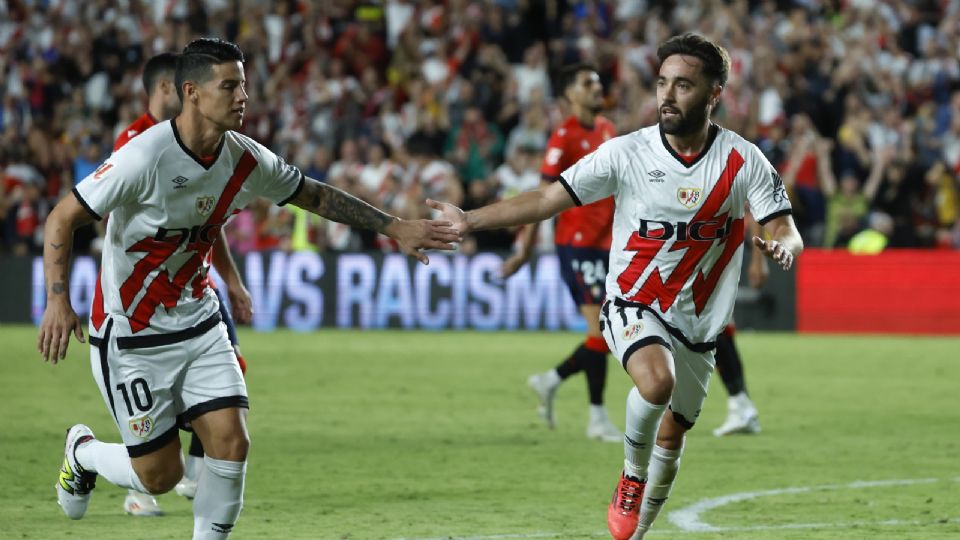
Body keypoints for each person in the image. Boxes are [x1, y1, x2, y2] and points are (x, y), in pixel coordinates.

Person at [39, 38, 458, 539]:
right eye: (230, 85)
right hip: (132, 332)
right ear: (191, 92)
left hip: (199, 323)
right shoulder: (144, 157)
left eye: (245, 84)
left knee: (232, 444)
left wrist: (395, 227)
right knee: (159, 475)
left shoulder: (245, 159)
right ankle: (82, 452)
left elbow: (314, 195)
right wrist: (58, 301)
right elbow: (62, 217)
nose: (244, 96)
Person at [428, 33, 803, 540]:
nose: (667, 95)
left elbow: (784, 225)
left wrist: (785, 246)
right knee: (655, 383)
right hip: (633, 302)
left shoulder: (744, 161)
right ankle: (630, 474)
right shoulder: (626, 153)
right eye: (662, 83)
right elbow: (545, 198)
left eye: (684, 85)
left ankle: (639, 528)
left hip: (701, 323)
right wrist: (470, 219)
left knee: (674, 432)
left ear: (714, 94)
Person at [111, 52, 257, 516]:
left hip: (195, 294)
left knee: (230, 381)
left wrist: (231, 279)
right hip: (142, 301)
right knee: (159, 403)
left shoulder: (206, 147)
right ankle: (142, 486)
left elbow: (210, 220)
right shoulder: (138, 143)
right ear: (171, 90)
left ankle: (195, 475)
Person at [501, 63, 621, 442]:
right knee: (601, 331)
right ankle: (595, 417)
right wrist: (525, 247)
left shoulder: (607, 129)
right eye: (588, 83)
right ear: (570, 94)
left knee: (606, 332)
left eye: (598, 82)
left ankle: (552, 382)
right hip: (577, 243)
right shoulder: (563, 137)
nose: (596, 88)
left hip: (607, 244)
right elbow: (541, 197)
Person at [712, 212, 766, 437]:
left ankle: (740, 406)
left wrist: (758, 259)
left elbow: (755, 213)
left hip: (712, 255)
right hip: (708, 253)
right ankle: (742, 406)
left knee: (712, 332)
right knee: (720, 331)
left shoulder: (728, 177)